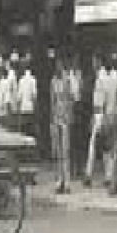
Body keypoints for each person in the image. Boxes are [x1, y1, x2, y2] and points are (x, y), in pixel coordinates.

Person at [49, 56, 75, 194]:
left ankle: (67, 182)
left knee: (66, 152)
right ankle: (59, 181)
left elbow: (70, 100)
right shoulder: (53, 82)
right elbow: (52, 102)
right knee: (58, 153)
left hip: (65, 119)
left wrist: (69, 117)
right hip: (56, 119)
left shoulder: (67, 81)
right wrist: (52, 120)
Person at [101, 55, 117, 196]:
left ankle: (108, 176)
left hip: (107, 116)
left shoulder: (103, 79)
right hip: (116, 116)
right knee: (115, 149)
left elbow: (101, 101)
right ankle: (114, 180)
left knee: (106, 149)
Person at [84, 54, 108, 188]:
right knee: (103, 147)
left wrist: (95, 117)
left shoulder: (101, 78)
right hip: (101, 113)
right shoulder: (102, 77)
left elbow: (100, 100)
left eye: (94, 62)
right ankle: (107, 175)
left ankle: (89, 174)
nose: (93, 65)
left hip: (100, 113)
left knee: (95, 146)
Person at [16, 58, 38, 138]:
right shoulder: (33, 80)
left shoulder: (21, 80)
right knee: (30, 128)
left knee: (24, 128)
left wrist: (18, 108)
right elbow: (34, 95)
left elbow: (19, 96)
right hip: (31, 107)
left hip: (23, 107)